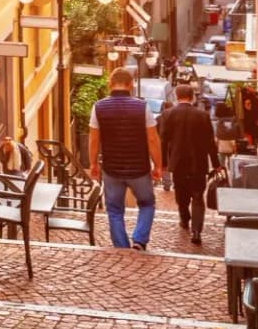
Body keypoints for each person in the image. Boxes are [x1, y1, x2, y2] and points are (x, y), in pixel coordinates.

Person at [86, 68, 162, 250]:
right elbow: (152, 139)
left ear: (110, 84)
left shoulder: (99, 107)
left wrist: (93, 164)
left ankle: (121, 247)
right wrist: (158, 165)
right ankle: (139, 240)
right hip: (139, 169)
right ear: (131, 85)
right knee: (147, 203)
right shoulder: (142, 107)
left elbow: (94, 139)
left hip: (112, 168)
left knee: (114, 210)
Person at [157, 82, 221, 244]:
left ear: (177, 96)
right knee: (198, 197)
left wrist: (163, 163)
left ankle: (184, 219)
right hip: (198, 163)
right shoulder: (203, 116)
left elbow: (163, 141)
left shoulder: (168, 114)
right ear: (192, 97)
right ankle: (197, 232)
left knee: (181, 194)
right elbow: (210, 143)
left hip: (178, 162)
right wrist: (216, 163)